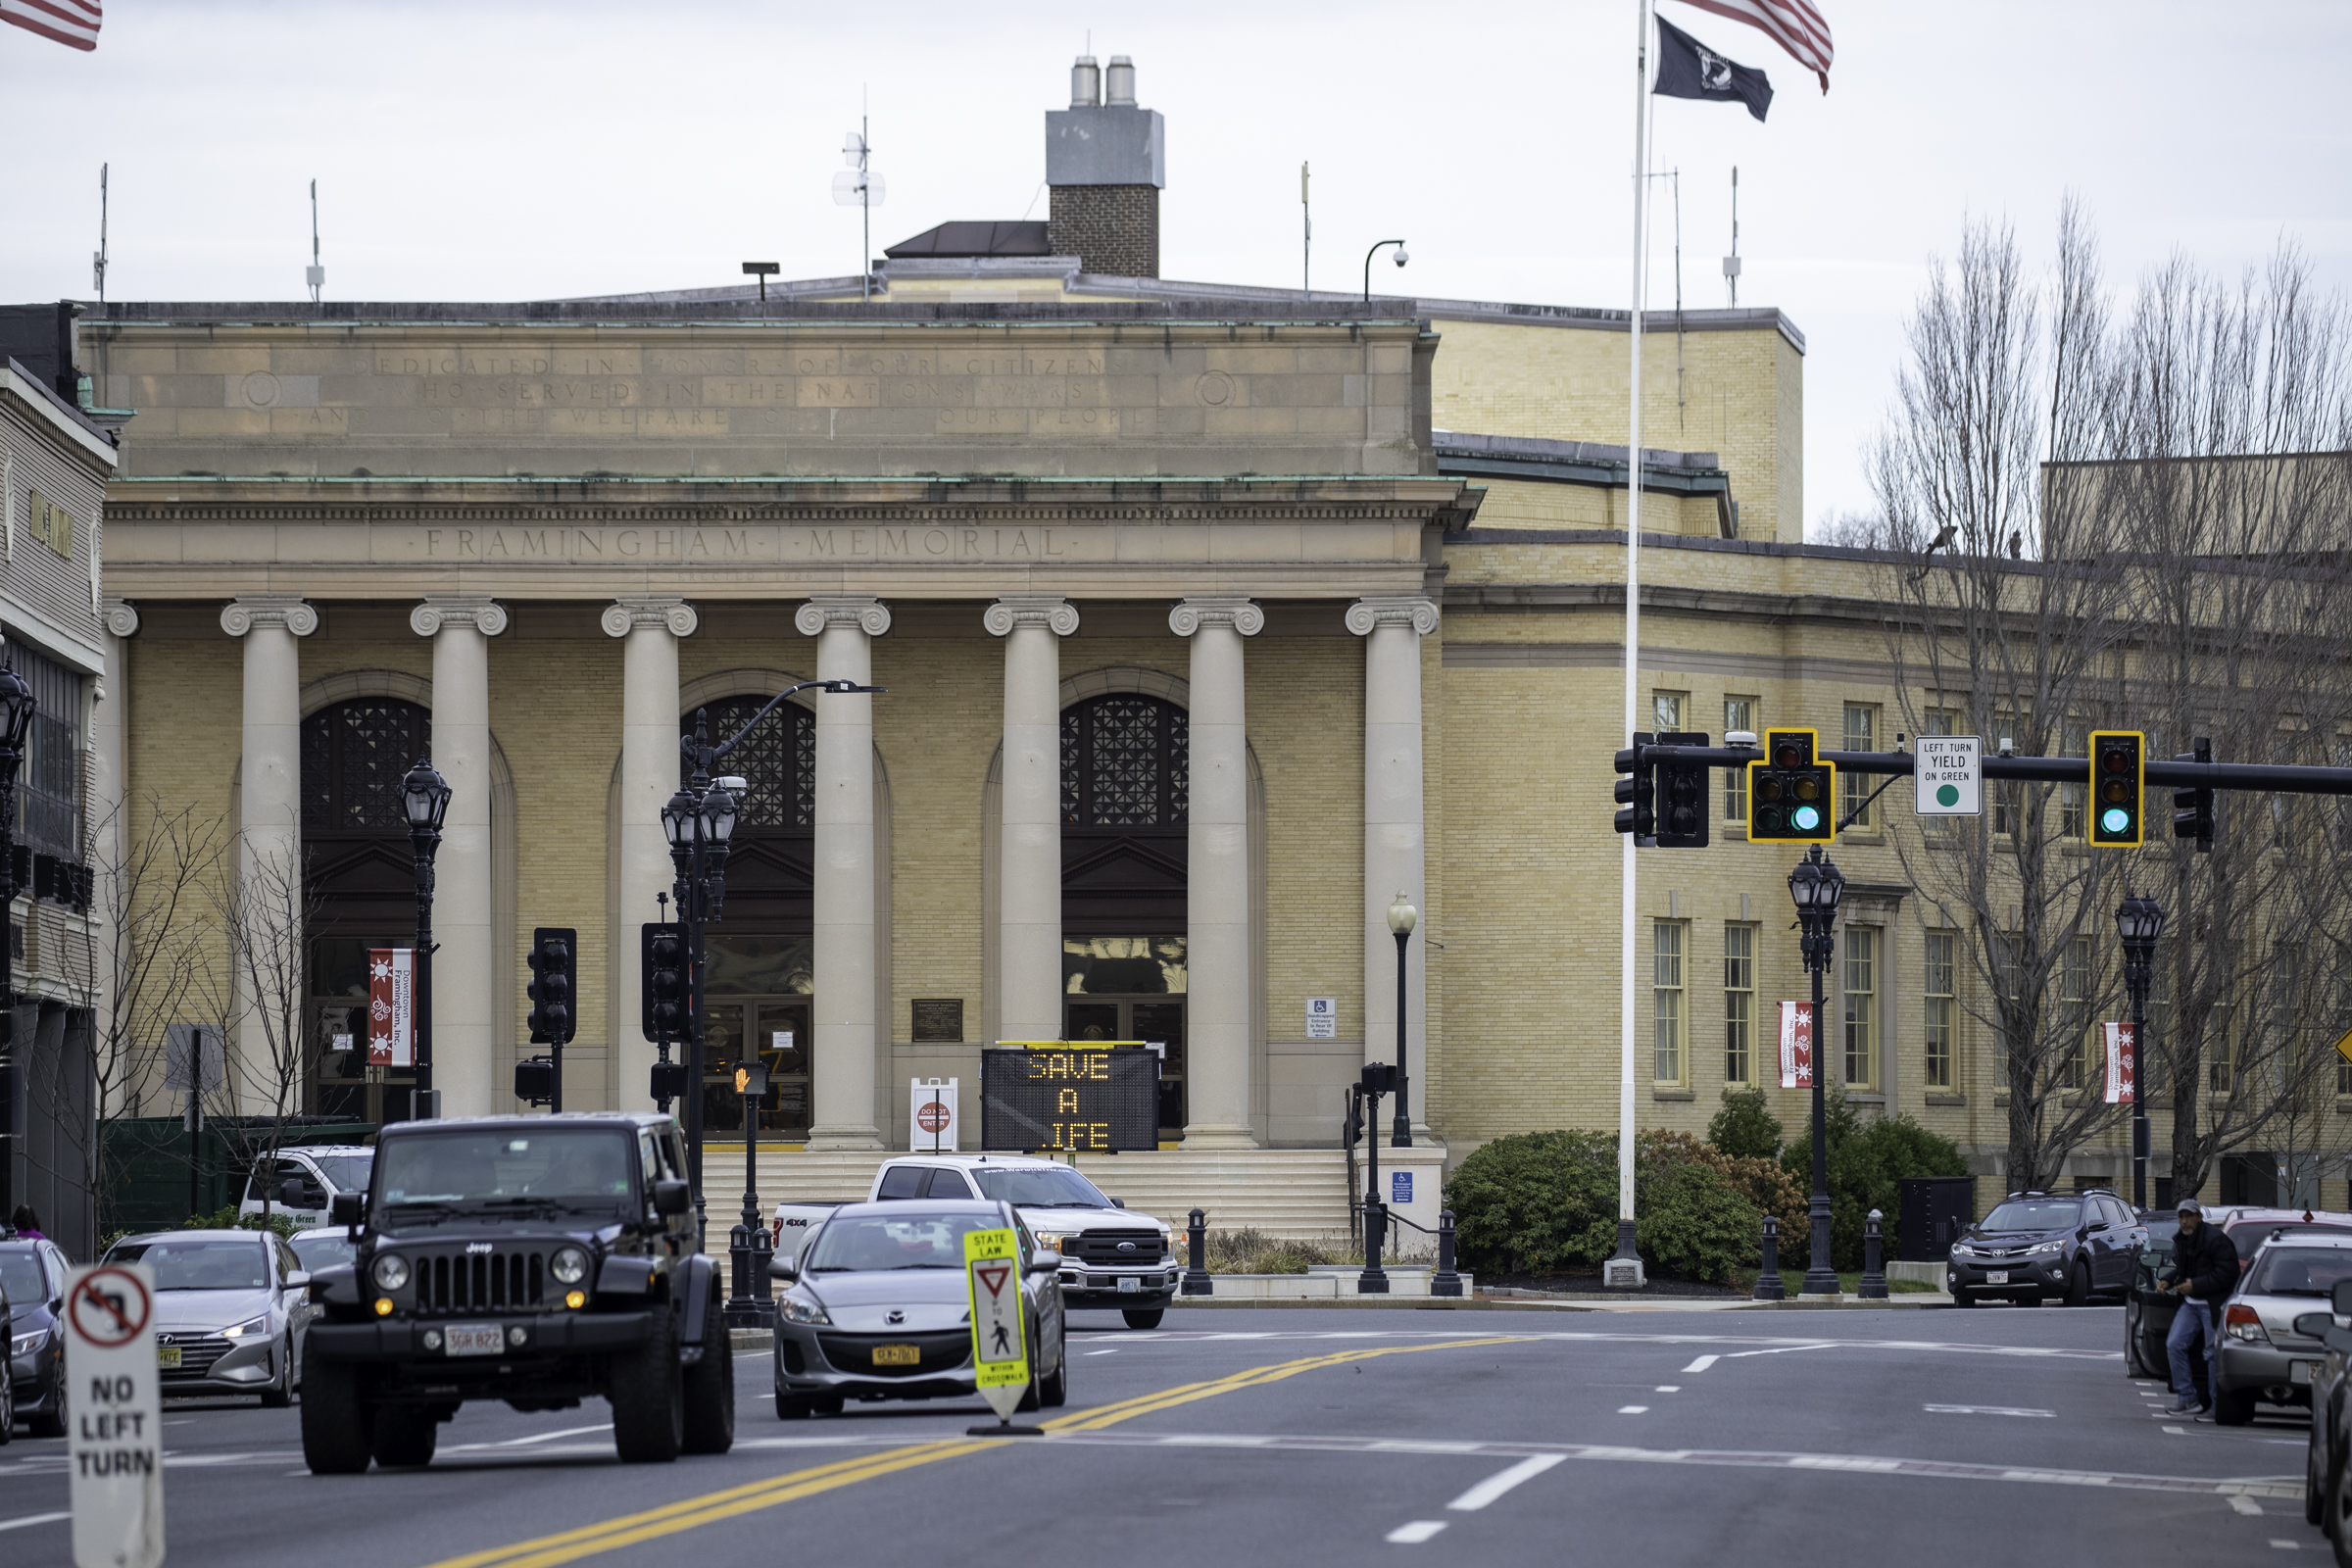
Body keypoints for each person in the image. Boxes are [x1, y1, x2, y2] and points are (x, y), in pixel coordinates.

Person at [2163, 1198, 2238, 1414]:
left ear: (2199, 1217)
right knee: (2174, 1344)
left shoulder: (2216, 1240)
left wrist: (2195, 1285)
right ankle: (2187, 1398)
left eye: (2189, 1217)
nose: (2185, 1222)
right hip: (2191, 1303)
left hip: (2212, 1305)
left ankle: (2216, 1406)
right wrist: (2168, 1280)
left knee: (2211, 1353)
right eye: (2181, 1217)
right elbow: (2183, 1269)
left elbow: (2227, 1273)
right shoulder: (2183, 1240)